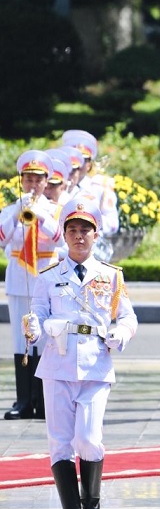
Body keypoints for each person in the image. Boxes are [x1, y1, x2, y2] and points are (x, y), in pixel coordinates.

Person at [23, 199, 137, 509]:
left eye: (84, 229)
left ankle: (92, 504)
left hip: (95, 365)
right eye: (72, 229)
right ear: (64, 234)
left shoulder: (110, 276)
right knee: (60, 442)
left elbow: (128, 317)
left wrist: (119, 333)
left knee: (88, 438)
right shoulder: (48, 277)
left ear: (95, 234)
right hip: (57, 365)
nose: (78, 236)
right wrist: (33, 328)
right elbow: (39, 315)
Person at [1, 150, 61, 420]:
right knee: (20, 340)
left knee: (45, 339)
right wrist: (17, 213)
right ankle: (24, 400)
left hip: (46, 278)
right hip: (19, 279)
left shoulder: (54, 210)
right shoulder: (11, 209)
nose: (33, 184)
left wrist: (39, 215)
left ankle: (44, 401)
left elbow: (59, 238)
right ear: (21, 181)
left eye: (38, 179)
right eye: (28, 179)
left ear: (46, 181)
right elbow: (2, 238)